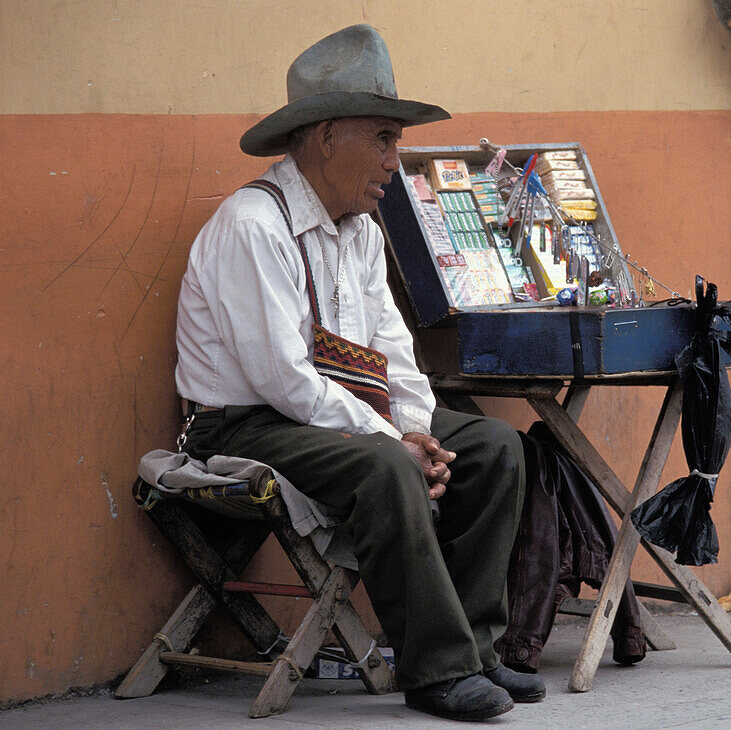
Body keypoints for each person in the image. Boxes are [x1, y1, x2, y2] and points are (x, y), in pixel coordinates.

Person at [173, 24, 541, 722]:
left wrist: (416, 428)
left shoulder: (361, 231)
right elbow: (282, 380)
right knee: (386, 466)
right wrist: (393, 443)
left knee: (496, 449)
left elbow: (392, 349)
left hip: (332, 413)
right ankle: (437, 671)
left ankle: (475, 647)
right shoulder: (255, 225)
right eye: (382, 138)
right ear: (323, 137)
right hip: (243, 424)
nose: (394, 160)